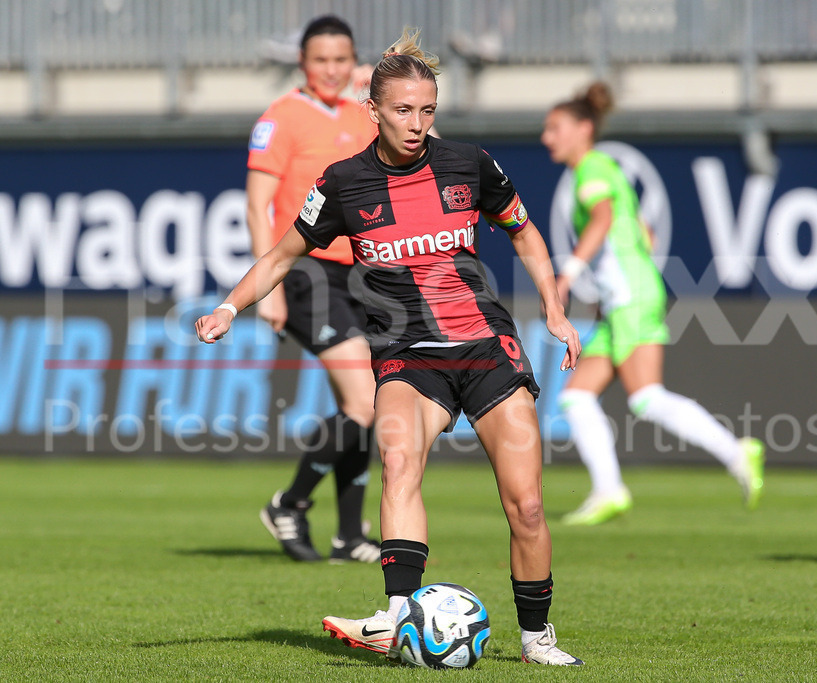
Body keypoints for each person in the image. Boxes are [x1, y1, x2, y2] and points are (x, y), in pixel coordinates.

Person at [198, 28, 585, 667]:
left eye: (427, 110)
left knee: (529, 505)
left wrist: (553, 307)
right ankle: (401, 615)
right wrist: (228, 307)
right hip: (408, 354)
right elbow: (283, 253)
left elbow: (523, 231)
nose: (416, 123)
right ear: (372, 109)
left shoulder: (468, 164)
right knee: (399, 459)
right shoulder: (344, 184)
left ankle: (537, 638)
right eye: (403, 110)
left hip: (486, 349)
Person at [541, 82, 765, 525]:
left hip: (631, 297)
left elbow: (604, 218)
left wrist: (567, 274)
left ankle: (736, 450)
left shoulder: (591, 170)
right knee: (577, 398)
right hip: (623, 298)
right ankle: (608, 490)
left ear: (584, 129)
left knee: (646, 398)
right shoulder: (604, 168)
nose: (547, 137)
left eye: (555, 128)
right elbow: (646, 234)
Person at [246, 15, 380, 563]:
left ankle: (349, 535)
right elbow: (257, 206)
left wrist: (384, 91)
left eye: (341, 60)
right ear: (303, 63)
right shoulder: (280, 118)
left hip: (364, 274)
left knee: (366, 408)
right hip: (305, 271)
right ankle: (290, 502)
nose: (332, 70)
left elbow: (432, 155)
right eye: (321, 60)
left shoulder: (365, 112)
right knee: (365, 403)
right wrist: (267, 286)